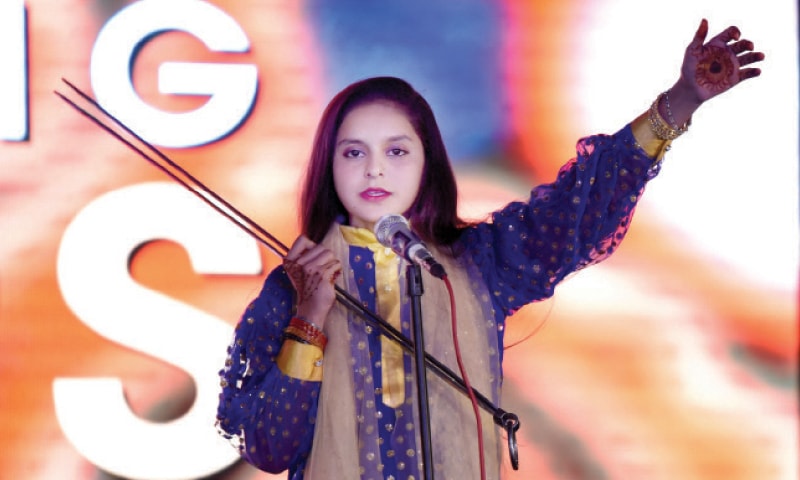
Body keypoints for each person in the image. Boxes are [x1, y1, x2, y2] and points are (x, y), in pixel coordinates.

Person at [215, 19, 763, 480]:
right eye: (353, 152)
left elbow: (582, 205)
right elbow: (270, 447)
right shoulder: (295, 286)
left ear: (427, 163)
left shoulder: (476, 262)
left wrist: (679, 102)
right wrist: (311, 316)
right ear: (328, 168)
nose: (375, 168)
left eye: (397, 151)